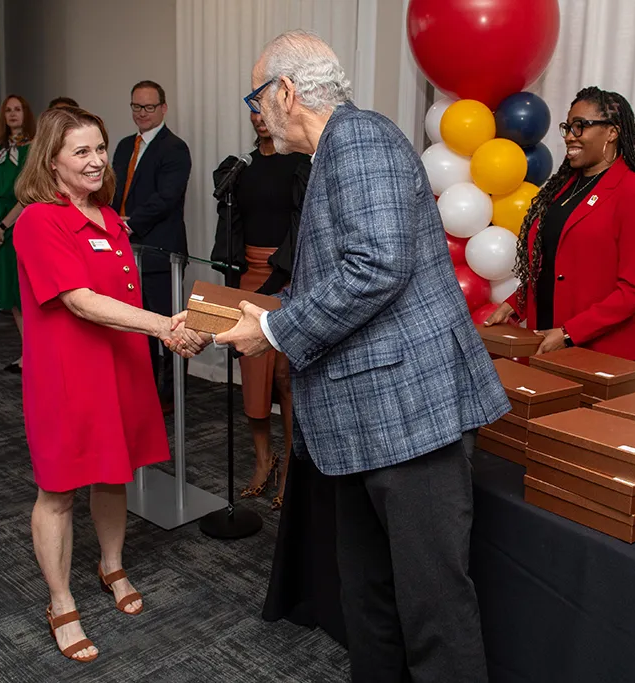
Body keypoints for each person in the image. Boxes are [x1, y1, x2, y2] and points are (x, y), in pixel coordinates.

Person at [216, 30, 510, 683]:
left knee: (434, 607)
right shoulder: (334, 152)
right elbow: (335, 276)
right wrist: (256, 315)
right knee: (367, 596)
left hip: (409, 414)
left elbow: (376, 267)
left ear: (285, 91)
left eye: (257, 97)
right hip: (363, 421)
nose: (256, 112)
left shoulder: (360, 139)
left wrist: (276, 330)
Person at [13, 106, 207, 663]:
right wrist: (164, 327)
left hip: (119, 367)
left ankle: (112, 565)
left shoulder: (110, 219)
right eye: (81, 151)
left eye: (100, 148)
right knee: (58, 490)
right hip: (68, 376)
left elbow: (121, 299)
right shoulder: (39, 221)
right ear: (51, 161)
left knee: (113, 472)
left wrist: (168, 331)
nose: (97, 160)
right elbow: (78, 300)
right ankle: (60, 601)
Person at [485, 87, 635, 362]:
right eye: (568, 127)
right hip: (547, 339)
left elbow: (634, 291)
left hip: (604, 353)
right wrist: (516, 304)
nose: (570, 136)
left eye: (581, 126)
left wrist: (569, 333)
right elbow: (554, 265)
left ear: (612, 132)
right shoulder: (562, 189)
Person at [211, 114, 311, 510]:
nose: (259, 117)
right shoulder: (242, 167)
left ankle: (290, 468)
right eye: (253, 109)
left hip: (288, 274)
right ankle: (263, 460)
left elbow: (302, 227)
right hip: (248, 275)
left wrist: (276, 281)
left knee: (286, 377)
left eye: (265, 108)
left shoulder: (300, 164)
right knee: (252, 374)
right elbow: (231, 226)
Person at [111, 80, 192, 413]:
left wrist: (128, 224)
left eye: (148, 107)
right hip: (125, 251)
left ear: (163, 108)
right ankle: (144, 392)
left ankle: (172, 396)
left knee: (170, 328)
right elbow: (112, 191)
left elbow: (166, 198)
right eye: (136, 106)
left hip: (161, 255)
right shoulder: (123, 147)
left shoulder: (174, 148)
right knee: (136, 327)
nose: (141, 113)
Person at [0, 94, 36, 372]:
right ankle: (28, 353)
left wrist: (3, 226)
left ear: (25, 114)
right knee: (10, 294)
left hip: (21, 223)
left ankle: (38, 354)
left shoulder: (33, 149)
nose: (13, 114)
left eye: (17, 109)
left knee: (24, 292)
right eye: (8, 110)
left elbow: (28, 196)